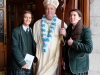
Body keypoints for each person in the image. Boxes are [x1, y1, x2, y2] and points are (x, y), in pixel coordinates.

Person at [33, 0, 67, 75]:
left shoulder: (61, 24)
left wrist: (65, 35)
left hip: (54, 58)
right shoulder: (37, 24)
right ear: (45, 10)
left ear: (55, 10)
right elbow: (34, 42)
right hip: (41, 57)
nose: (49, 11)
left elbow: (67, 42)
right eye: (47, 9)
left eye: (51, 9)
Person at [60, 9, 93, 75]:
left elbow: (89, 48)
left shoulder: (85, 30)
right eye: (70, 15)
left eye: (74, 15)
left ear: (79, 18)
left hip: (79, 67)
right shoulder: (68, 29)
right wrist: (63, 58)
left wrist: (73, 43)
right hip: (68, 66)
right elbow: (66, 45)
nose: (72, 17)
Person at [11, 10, 37, 75]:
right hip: (19, 63)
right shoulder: (16, 31)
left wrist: (35, 59)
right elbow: (15, 48)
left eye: (29, 17)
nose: (28, 19)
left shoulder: (32, 31)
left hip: (29, 62)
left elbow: (34, 47)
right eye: (26, 17)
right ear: (22, 18)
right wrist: (22, 62)